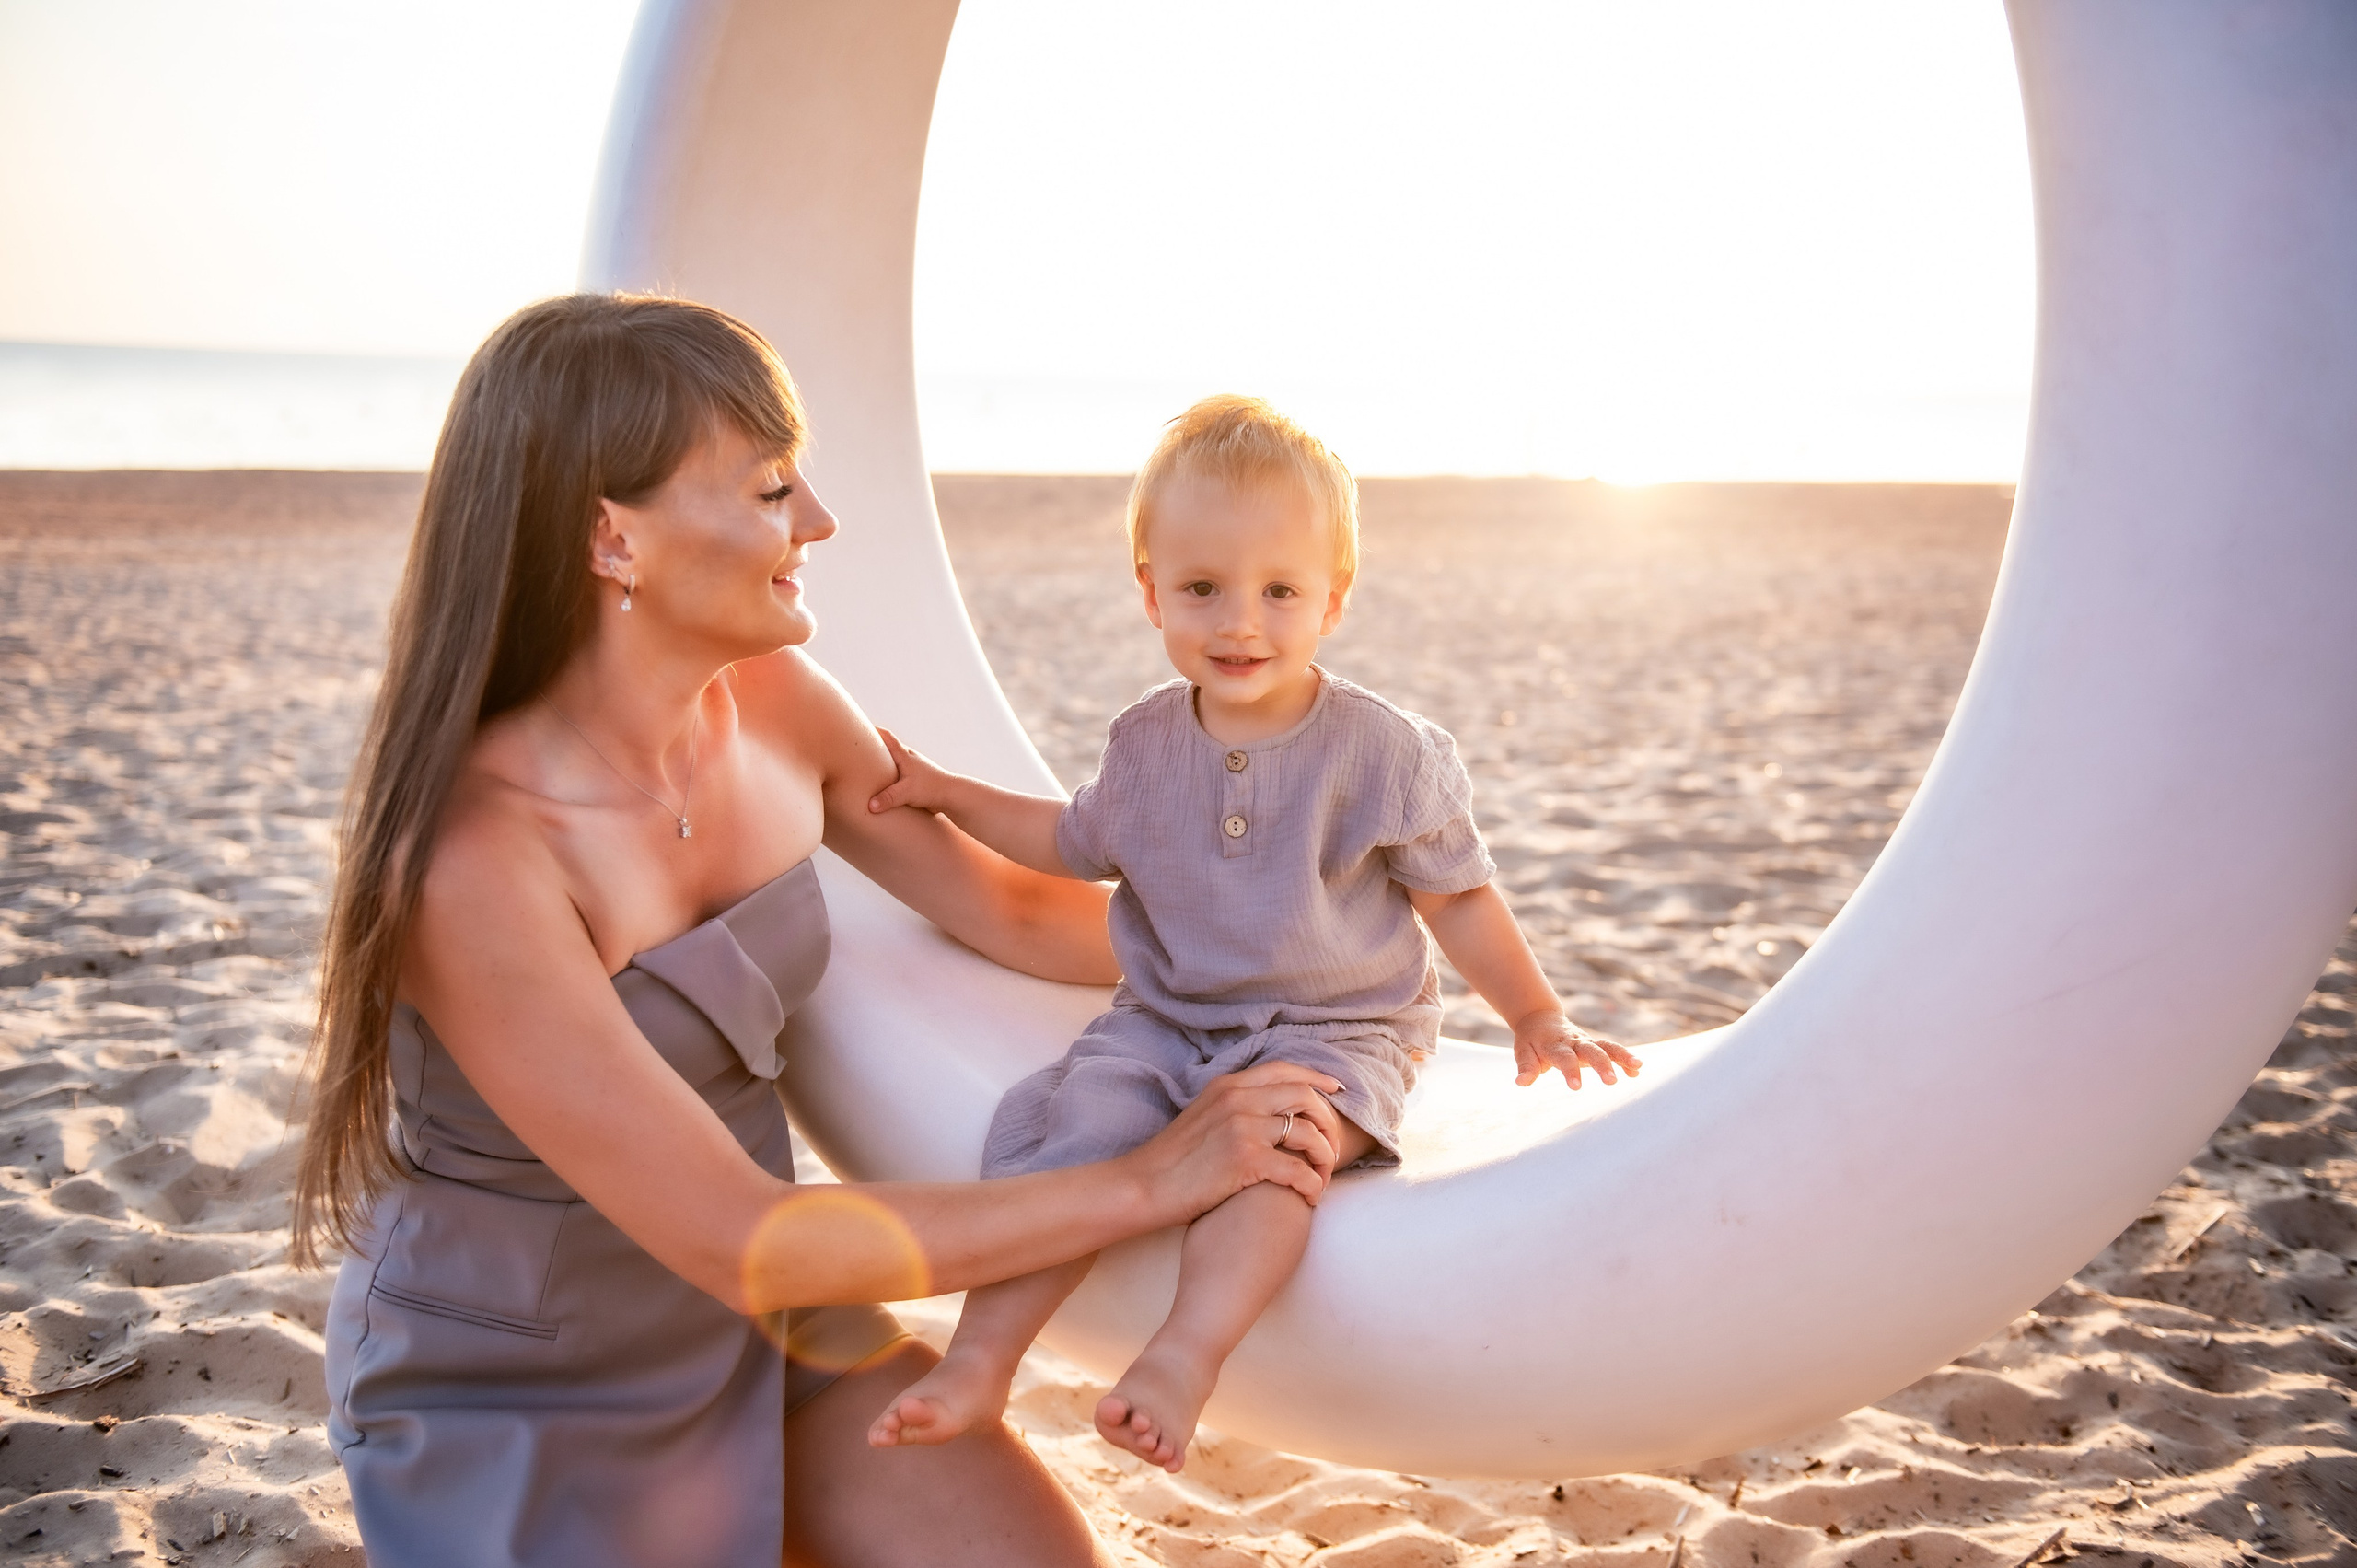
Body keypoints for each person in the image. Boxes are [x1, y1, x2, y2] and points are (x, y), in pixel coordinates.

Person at [294, 296, 1350, 1568]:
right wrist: (1151, 1176)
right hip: (524, 1381)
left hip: (771, 1338)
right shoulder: (473, 863)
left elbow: (1010, 906)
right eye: (772, 487)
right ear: (609, 537)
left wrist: (1315, 946)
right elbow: (742, 1236)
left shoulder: (778, 701)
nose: (821, 521)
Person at [861, 395, 1644, 1473]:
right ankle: (983, 1355)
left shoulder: (1382, 750)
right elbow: (1067, 836)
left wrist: (1535, 1011)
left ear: (1334, 599)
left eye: (1280, 590)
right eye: (1202, 588)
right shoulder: (1145, 742)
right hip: (1167, 1016)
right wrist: (948, 792)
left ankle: (1185, 1353)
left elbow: (1457, 894)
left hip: (1335, 1028)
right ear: (1150, 593)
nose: (1240, 622)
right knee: (1080, 1130)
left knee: (1279, 1157)